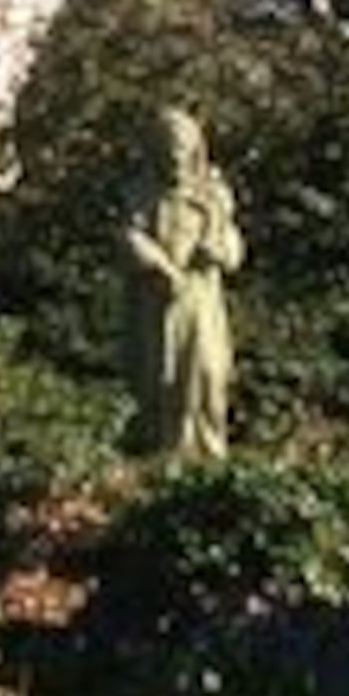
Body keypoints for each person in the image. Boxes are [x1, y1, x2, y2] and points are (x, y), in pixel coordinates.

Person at [123, 105, 241, 459]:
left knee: (209, 372)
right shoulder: (141, 194)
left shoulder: (213, 197)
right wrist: (161, 267)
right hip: (160, 302)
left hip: (202, 299)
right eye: (167, 151)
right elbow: (131, 237)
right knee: (164, 376)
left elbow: (233, 249)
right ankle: (166, 451)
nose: (175, 159)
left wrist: (216, 248)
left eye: (181, 150)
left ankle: (207, 448)